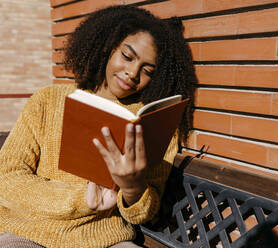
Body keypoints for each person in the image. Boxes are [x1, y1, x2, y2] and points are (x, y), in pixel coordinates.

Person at [0, 5, 196, 248]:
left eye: (147, 70)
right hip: (28, 231)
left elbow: (145, 213)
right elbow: (6, 177)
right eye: (127, 56)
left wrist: (133, 188)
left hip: (105, 239)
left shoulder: (152, 123)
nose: (132, 73)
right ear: (108, 47)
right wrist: (81, 200)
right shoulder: (47, 100)